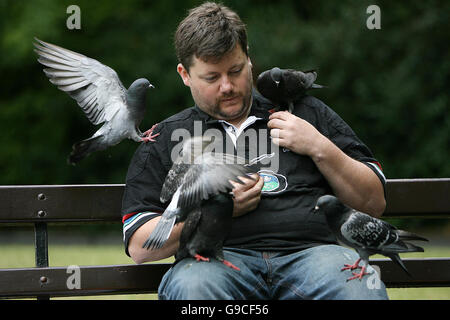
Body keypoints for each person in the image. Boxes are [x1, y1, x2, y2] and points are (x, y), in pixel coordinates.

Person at [121, 2, 389, 300]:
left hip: (313, 258)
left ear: (249, 58)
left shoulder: (303, 112)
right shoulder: (166, 137)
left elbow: (373, 202)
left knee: (358, 290)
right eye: (212, 77)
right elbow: (140, 245)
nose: (227, 86)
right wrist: (220, 209)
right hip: (214, 264)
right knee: (193, 290)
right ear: (185, 74)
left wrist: (319, 147)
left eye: (235, 70)